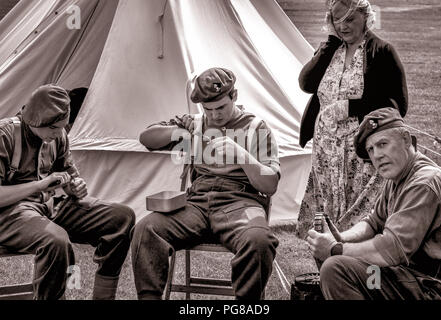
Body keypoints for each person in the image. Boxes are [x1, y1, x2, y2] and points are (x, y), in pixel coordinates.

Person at [132, 67, 280, 300]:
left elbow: (270, 184)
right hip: (197, 204)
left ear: (235, 96)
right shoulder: (195, 123)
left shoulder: (256, 127)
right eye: (208, 109)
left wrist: (242, 155)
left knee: (259, 240)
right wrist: (179, 133)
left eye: (221, 107)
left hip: (239, 202)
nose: (215, 115)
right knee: (146, 228)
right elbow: (146, 138)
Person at [0, 84, 135, 300]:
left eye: (63, 127)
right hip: (10, 215)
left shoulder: (58, 136)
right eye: (54, 128)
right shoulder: (5, 135)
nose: (59, 133)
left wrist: (75, 187)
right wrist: (40, 185)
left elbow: (70, 174)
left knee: (121, 218)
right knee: (56, 241)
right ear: (37, 119)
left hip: (50, 208)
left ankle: (103, 297)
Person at [307, 107, 441, 300]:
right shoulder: (398, 177)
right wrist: (341, 238)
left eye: (383, 144)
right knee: (346, 268)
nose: (377, 155)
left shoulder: (424, 183)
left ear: (406, 139)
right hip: (408, 278)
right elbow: (374, 222)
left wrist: (334, 249)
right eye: (371, 150)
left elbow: (391, 249)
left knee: (337, 269)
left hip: (433, 287)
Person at [296, 0, 408, 236]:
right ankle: (328, 268)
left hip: (362, 151)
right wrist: (330, 41)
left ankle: (359, 269)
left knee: (361, 217)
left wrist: (351, 107)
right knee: (325, 215)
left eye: (349, 19)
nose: (343, 26)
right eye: (337, 19)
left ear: (366, 18)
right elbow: (306, 83)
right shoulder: (331, 50)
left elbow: (398, 104)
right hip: (326, 151)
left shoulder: (381, 51)